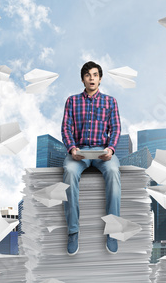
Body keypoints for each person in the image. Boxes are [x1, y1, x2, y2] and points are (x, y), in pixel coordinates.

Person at [61, 61, 122, 255]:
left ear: (100, 78)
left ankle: (112, 231)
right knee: (69, 172)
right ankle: (73, 231)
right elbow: (66, 128)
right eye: (88, 75)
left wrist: (111, 149)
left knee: (113, 171)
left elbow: (116, 128)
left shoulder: (110, 101)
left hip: (103, 151)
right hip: (78, 151)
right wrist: (72, 149)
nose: (92, 78)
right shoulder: (72, 101)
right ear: (83, 79)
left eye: (95, 75)